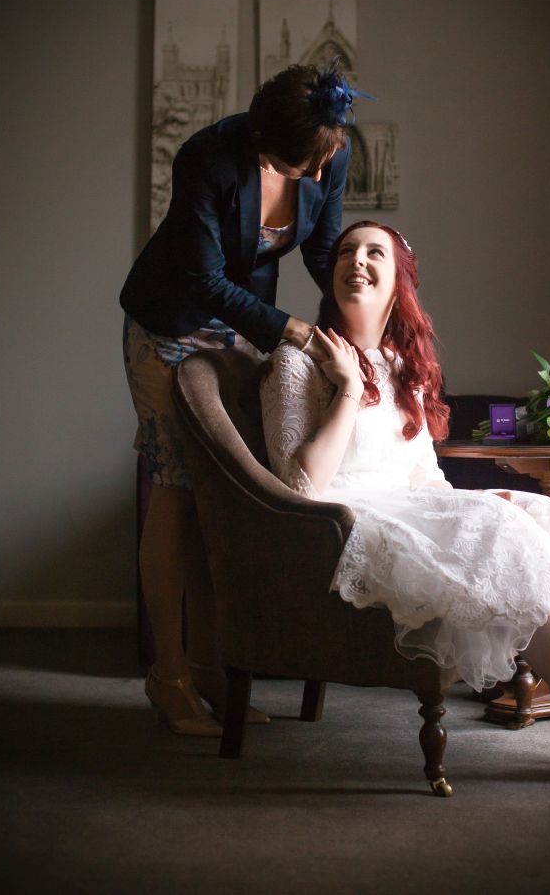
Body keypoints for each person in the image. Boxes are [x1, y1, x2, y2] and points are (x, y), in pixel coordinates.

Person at [260, 220, 550, 784]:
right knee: (501, 527)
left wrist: (477, 500)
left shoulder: (402, 367)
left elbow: (424, 477)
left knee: (538, 511)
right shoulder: (297, 361)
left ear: (399, 282)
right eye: (347, 251)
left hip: (406, 506)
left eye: (375, 253)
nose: (357, 261)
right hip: (345, 522)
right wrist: (349, 388)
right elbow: (300, 486)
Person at [120, 61, 370, 736]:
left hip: (243, 326)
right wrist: (293, 331)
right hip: (169, 323)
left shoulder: (329, 151)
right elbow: (203, 278)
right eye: (301, 167)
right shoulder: (206, 156)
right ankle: (167, 676)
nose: (317, 176)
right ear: (263, 144)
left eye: (324, 163)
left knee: (222, 498)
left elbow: (322, 251)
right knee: (177, 488)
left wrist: (357, 328)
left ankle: (212, 671)